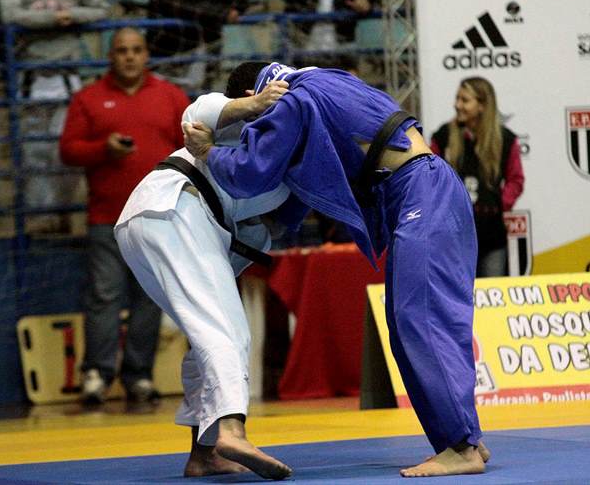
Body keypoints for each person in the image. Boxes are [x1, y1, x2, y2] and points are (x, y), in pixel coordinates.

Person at [184, 62, 490, 477]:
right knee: (413, 322)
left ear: (251, 97)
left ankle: (462, 447)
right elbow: (313, 174)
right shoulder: (326, 79)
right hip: (429, 186)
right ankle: (464, 436)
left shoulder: (289, 99)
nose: (254, 123)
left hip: (419, 191)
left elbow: (251, 171)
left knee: (420, 318)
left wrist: (209, 152)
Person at [114, 61, 292, 479]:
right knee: (227, 331)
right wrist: (254, 105)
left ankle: (204, 453)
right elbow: (198, 111)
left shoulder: (272, 159)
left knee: (206, 334)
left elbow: (256, 235)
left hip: (154, 220)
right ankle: (231, 430)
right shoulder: (234, 126)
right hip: (175, 208)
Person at [59, 28, 190, 407]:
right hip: (107, 217)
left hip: (159, 218)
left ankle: (139, 375)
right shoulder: (88, 99)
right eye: (122, 51)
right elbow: (68, 150)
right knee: (104, 296)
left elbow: (191, 148)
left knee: (151, 298)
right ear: (110, 56)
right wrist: (103, 149)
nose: (129, 57)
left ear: (146, 54)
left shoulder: (171, 96)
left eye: (136, 50)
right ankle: (96, 375)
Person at [0, 0, 110, 233]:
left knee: (65, 150)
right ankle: (41, 216)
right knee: (33, 151)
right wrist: (52, 18)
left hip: (66, 79)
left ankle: (63, 212)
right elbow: (10, 14)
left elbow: (101, 9)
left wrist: (72, 15)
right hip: (31, 80)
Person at [431, 77, 524, 278]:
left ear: (482, 105)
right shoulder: (442, 136)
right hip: (452, 237)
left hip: (492, 237)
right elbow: (429, 176)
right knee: (455, 293)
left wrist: (499, 203)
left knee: (493, 293)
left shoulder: (506, 139)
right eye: (457, 99)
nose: (457, 105)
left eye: (464, 100)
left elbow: (516, 180)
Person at [147, 0, 248, 89]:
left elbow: (240, 3)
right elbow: (172, 4)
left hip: (205, 55)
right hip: (172, 55)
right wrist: (220, 14)